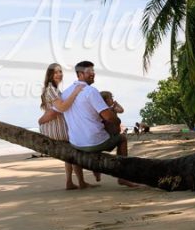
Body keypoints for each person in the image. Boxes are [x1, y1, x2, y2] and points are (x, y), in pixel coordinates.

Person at [56, 60, 140, 188]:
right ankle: (122, 177)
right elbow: (108, 117)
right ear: (80, 74)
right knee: (122, 139)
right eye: (89, 72)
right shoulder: (90, 91)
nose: (92, 74)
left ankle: (84, 179)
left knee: (90, 136)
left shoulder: (66, 93)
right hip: (94, 142)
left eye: (93, 71)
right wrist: (118, 122)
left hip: (76, 143)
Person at [37, 64, 95, 190]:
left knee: (69, 154)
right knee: (75, 149)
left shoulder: (55, 90)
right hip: (55, 129)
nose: (59, 74)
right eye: (56, 72)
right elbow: (62, 108)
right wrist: (75, 92)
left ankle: (70, 182)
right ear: (50, 75)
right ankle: (81, 182)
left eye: (61, 72)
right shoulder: (51, 89)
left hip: (55, 127)